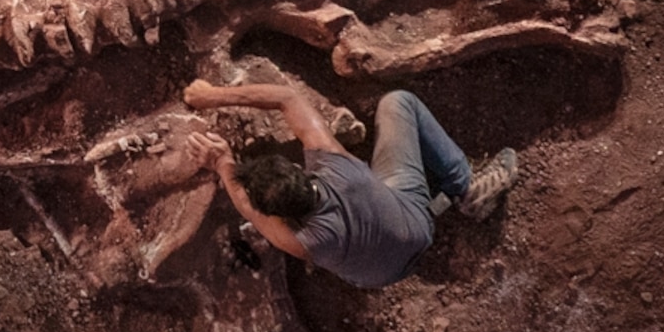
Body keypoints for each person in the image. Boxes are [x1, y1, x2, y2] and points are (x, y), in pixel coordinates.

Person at [183, 79, 517, 290]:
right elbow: (286, 97)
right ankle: (464, 186)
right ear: (299, 170)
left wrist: (221, 161)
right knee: (397, 102)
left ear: (276, 214)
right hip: (417, 229)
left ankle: (464, 190)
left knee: (397, 106)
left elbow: (244, 204)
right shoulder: (330, 159)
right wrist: (212, 96)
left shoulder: (297, 240)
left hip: (381, 278)